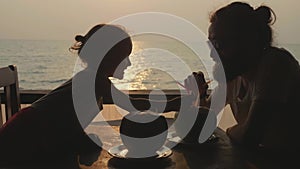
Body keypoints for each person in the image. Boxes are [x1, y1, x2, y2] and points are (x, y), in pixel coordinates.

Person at [0, 24, 185, 165]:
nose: (129, 63)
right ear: (108, 56)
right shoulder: (94, 81)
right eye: (125, 56)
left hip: (26, 133)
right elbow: (133, 104)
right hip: (24, 139)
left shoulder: (91, 80)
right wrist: (176, 103)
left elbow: (63, 123)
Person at [185, 2, 300, 151]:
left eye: (219, 44)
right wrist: (199, 94)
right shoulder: (236, 74)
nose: (212, 54)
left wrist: (228, 131)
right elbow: (206, 117)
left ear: (248, 42)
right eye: (211, 45)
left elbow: (249, 136)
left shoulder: (275, 65)